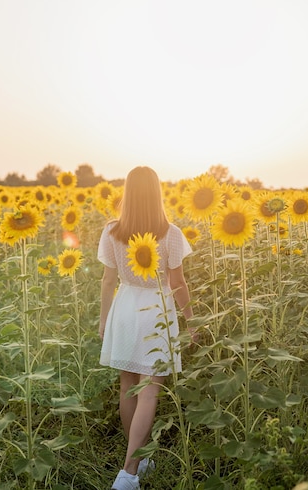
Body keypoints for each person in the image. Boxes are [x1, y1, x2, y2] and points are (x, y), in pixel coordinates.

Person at [98, 166, 196, 490]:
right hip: (156, 312)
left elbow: (108, 281)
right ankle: (127, 475)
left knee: (128, 387)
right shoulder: (171, 234)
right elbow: (177, 283)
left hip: (124, 309)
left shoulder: (112, 231)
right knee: (150, 392)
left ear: (127, 194)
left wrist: (103, 321)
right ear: (157, 194)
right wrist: (191, 321)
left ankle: (137, 461)